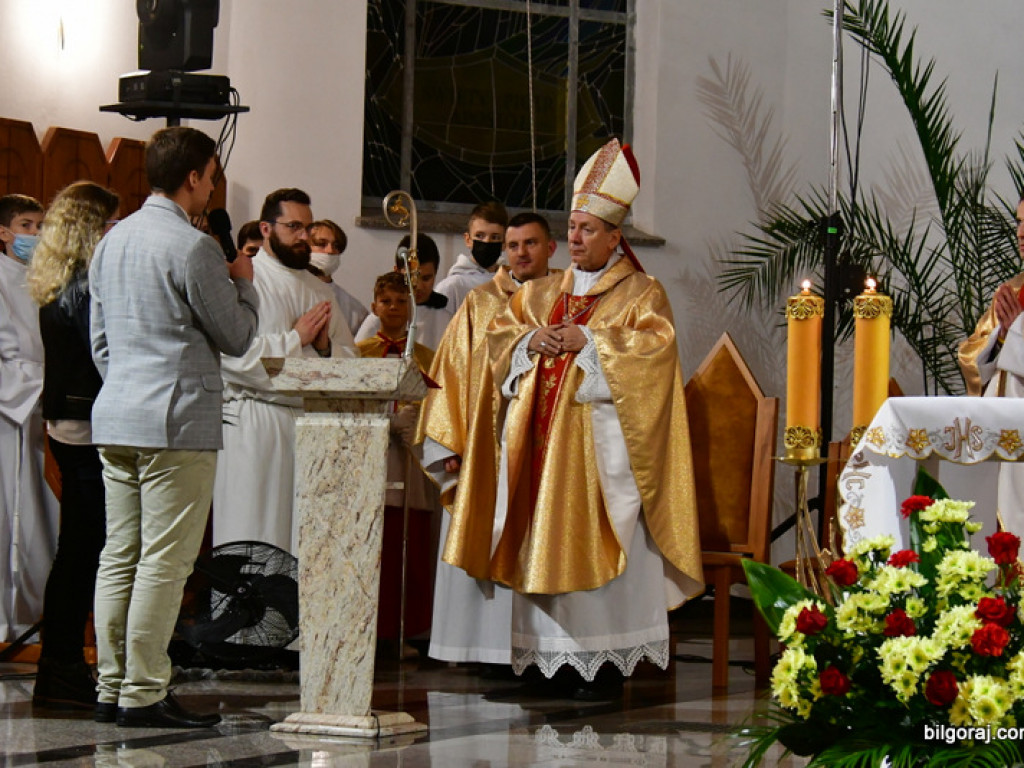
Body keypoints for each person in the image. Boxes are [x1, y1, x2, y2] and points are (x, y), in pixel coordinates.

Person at [478, 139, 703, 700]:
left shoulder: (641, 293)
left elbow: (657, 352)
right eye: (572, 227)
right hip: (539, 448)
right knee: (535, 545)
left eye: (587, 230)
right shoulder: (542, 291)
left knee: (598, 550)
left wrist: (594, 343)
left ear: (614, 236)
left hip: (601, 461)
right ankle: (543, 666)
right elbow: (497, 339)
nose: (575, 239)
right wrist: (533, 338)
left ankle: (602, 671)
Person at [89, 126, 259, 728]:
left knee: (120, 555)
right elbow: (237, 338)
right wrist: (244, 282)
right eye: (211, 177)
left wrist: (132, 389)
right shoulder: (193, 248)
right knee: (163, 562)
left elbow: (101, 344)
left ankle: (111, 685)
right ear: (193, 178)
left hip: (117, 415)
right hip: (176, 421)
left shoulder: (111, 242)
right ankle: (143, 692)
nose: (212, 187)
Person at [418, 211, 557, 668]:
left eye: (530, 244)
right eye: (513, 246)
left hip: (547, 451)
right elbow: (451, 376)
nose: (520, 253)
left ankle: (534, 649)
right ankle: (479, 648)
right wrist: (448, 448)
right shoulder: (480, 303)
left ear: (550, 247)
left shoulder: (567, 301)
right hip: (488, 448)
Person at [213, 189, 356, 555]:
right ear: (265, 228)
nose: (304, 236)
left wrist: (325, 349)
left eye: (307, 228)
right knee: (253, 540)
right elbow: (233, 358)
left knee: (302, 548)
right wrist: (296, 338)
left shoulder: (317, 288)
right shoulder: (246, 279)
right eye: (294, 226)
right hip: (256, 426)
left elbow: (353, 364)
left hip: (311, 428)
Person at [26, 182, 119, 709]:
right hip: (84, 419)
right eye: (108, 225)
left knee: (79, 550)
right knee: (86, 551)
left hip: (68, 415)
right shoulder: (84, 284)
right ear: (90, 229)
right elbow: (99, 352)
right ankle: (60, 665)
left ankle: (57, 664)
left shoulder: (57, 278)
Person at [357, 272, 436, 649]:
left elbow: (438, 405)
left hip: (410, 456)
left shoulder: (426, 357)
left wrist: (415, 422)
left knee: (411, 544)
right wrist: (383, 421)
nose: (393, 308)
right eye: (386, 301)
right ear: (374, 307)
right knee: (376, 545)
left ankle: (410, 628)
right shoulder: (360, 352)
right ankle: (373, 628)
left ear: (412, 307)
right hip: (374, 457)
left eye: (401, 302)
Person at [0, 192, 58, 644]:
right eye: (26, 226)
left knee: (42, 518)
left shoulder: (44, 279)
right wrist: (37, 388)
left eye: (41, 226)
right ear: (3, 233)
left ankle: (34, 620)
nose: (36, 236)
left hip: (44, 414)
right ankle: (7, 622)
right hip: (11, 413)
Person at [958, 194, 1024, 529]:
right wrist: (1001, 338)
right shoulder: (1012, 291)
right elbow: (973, 358)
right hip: (998, 430)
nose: (1021, 233)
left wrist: (1013, 336)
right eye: (1019, 222)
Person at [355, 234, 453, 350]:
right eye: (411, 277)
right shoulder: (383, 315)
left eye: (426, 278)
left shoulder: (445, 319)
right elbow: (356, 359)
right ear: (396, 272)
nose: (419, 286)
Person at [434, 201, 507, 311]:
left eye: (495, 237)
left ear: (504, 243)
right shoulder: (452, 287)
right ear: (468, 240)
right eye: (480, 236)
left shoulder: (510, 283)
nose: (487, 242)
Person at [306, 218, 369, 337]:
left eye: (335, 246)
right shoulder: (293, 291)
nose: (330, 251)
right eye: (321, 244)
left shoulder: (354, 309)